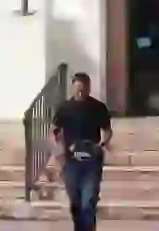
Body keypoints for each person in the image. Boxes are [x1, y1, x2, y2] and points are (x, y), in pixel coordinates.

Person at [51, 72, 112, 231]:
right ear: (73, 88)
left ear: (89, 88)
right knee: (75, 202)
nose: (81, 92)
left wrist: (102, 143)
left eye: (83, 89)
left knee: (89, 200)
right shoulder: (64, 108)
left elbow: (107, 130)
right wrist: (58, 152)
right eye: (78, 89)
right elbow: (55, 131)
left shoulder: (98, 107)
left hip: (92, 159)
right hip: (71, 161)